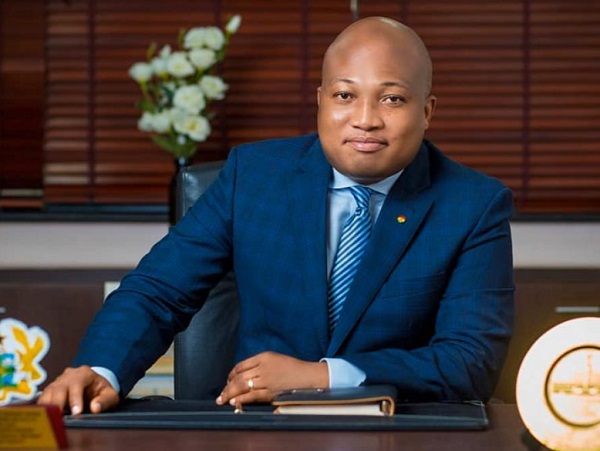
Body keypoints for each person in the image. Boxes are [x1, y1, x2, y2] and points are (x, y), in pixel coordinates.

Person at [38, 16, 514, 414]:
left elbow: (470, 361)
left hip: (401, 431)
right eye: (345, 95)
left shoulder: (473, 205)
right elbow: (158, 290)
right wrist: (100, 369)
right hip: (258, 425)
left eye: (392, 99)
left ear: (427, 111)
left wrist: (323, 376)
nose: (366, 118)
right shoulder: (254, 176)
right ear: (321, 100)